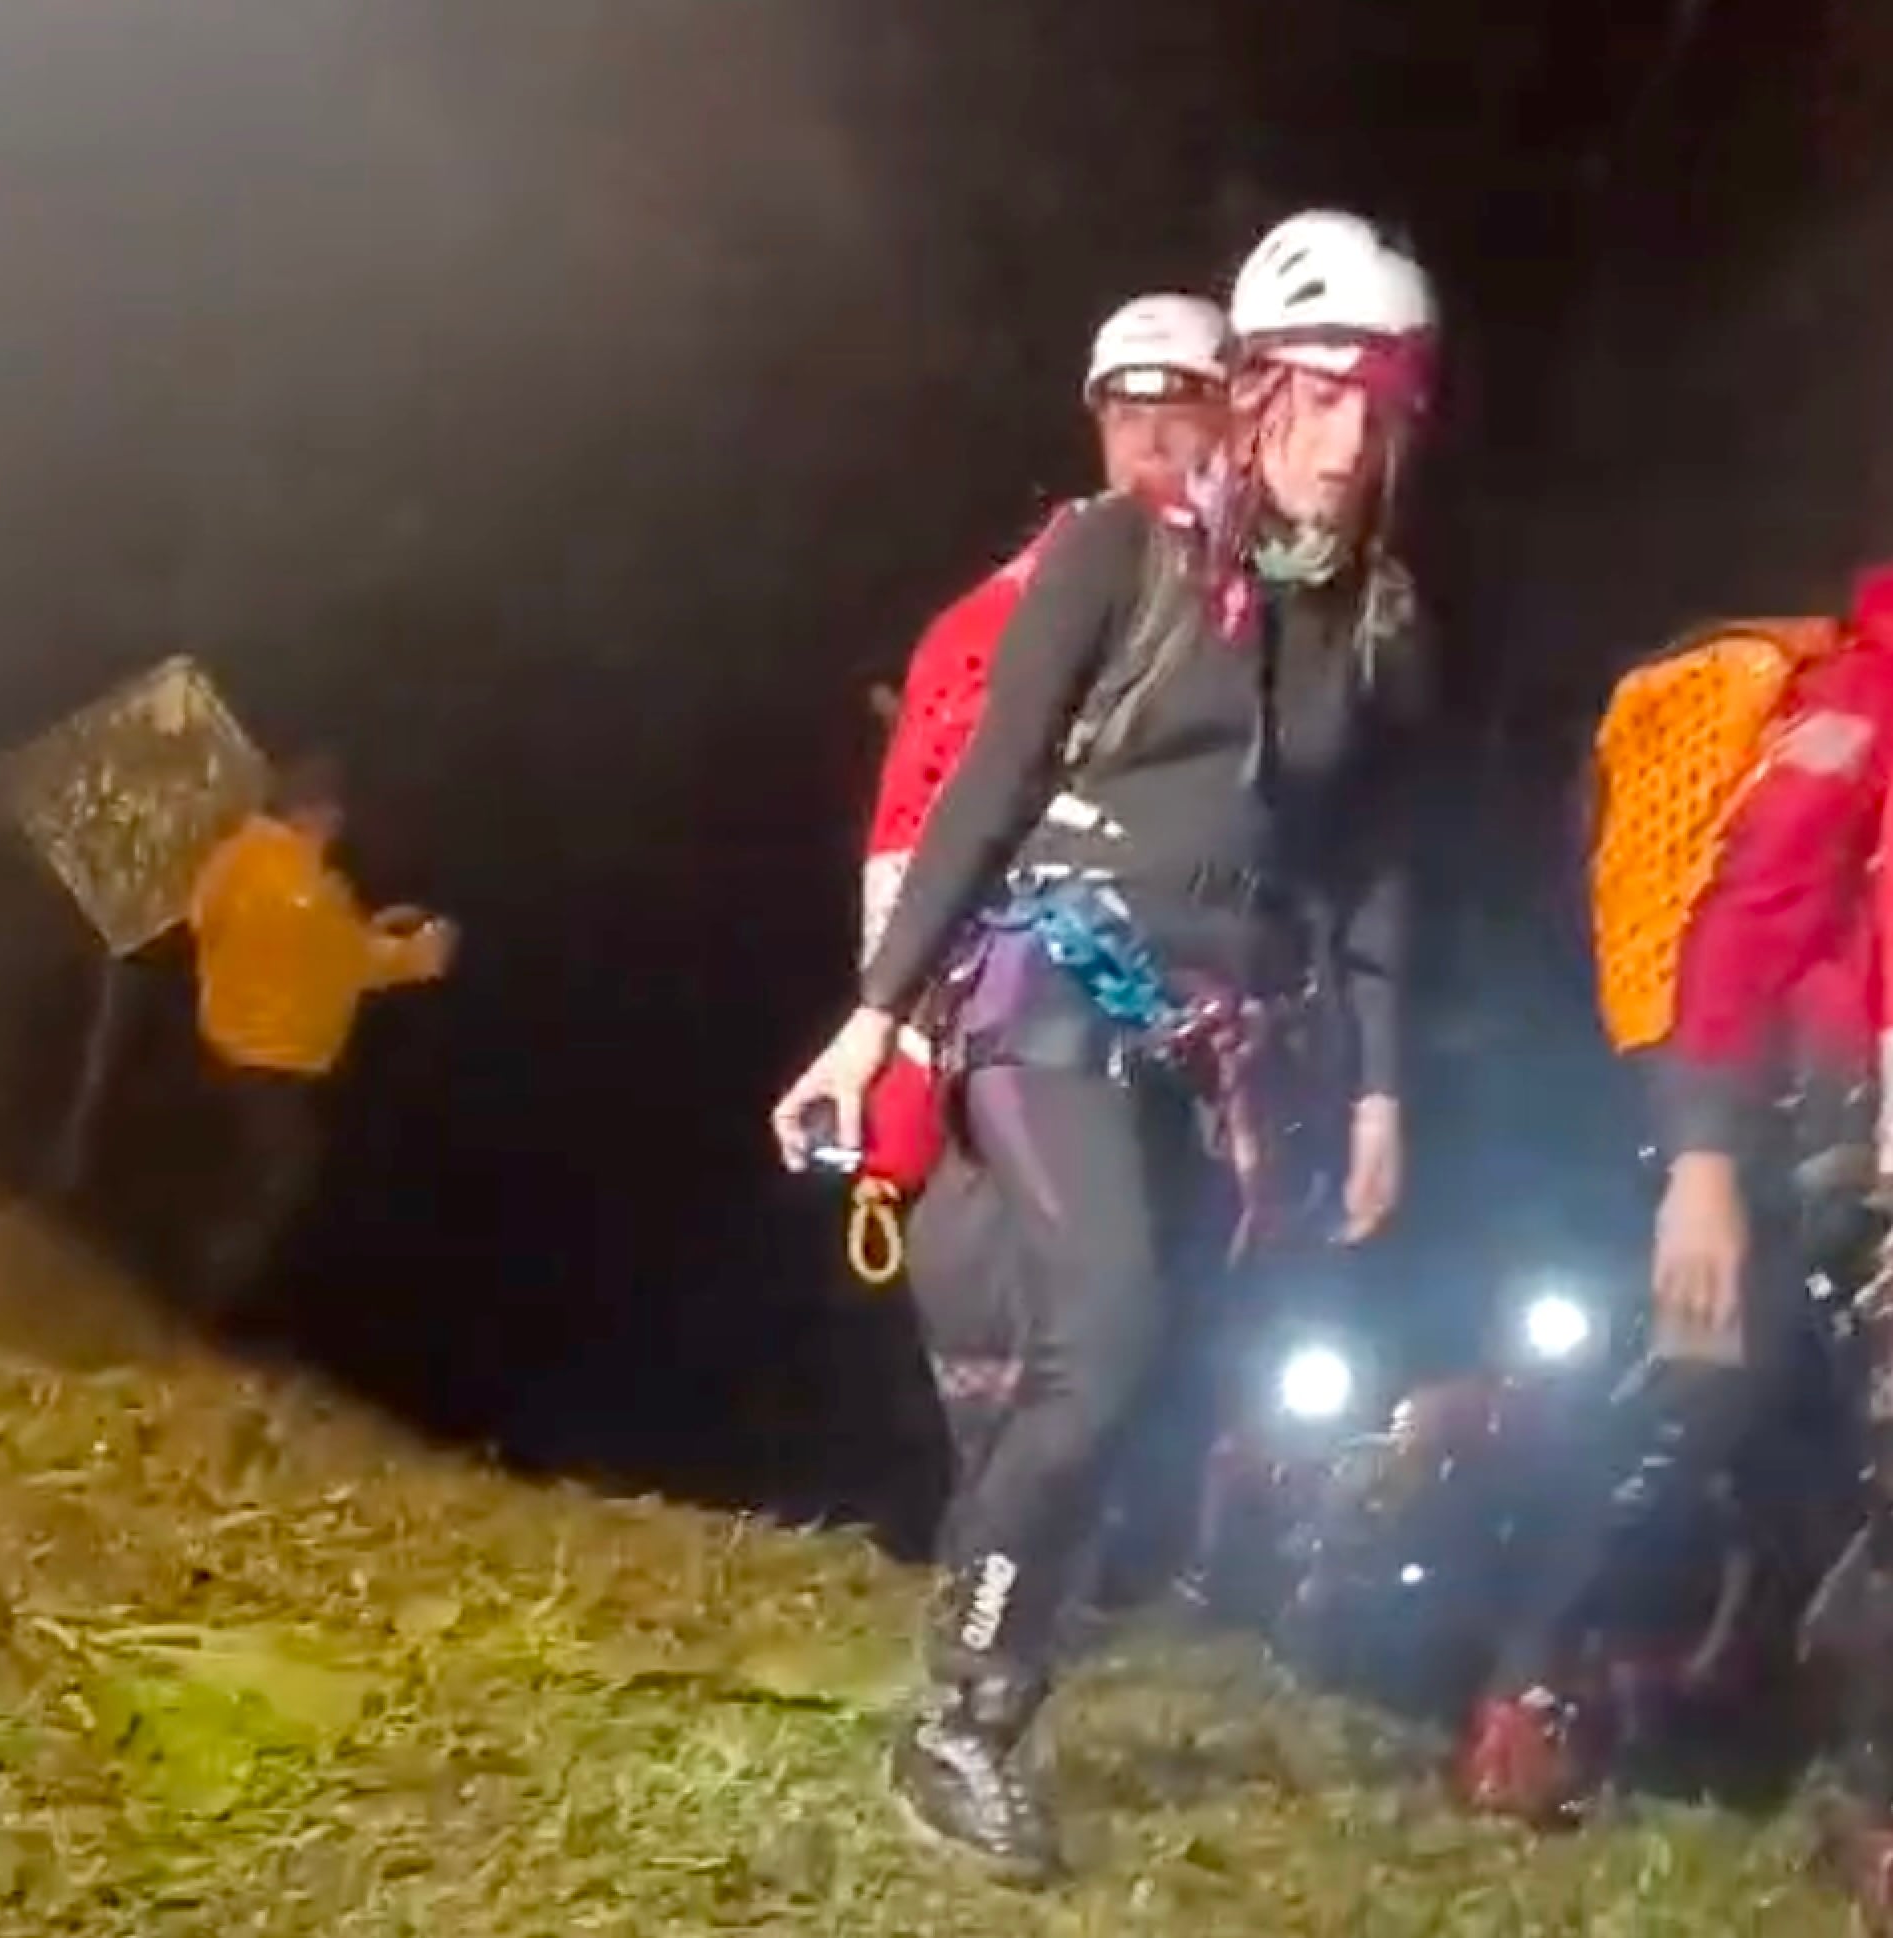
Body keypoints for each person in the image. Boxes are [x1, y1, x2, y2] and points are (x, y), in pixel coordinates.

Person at [771, 208, 1438, 1883]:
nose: (1345, 442)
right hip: (1048, 985)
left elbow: (1368, 870)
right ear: (1257, 389)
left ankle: (996, 1615)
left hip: (1217, 1041)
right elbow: (986, 788)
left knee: (1124, 1386)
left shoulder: (1378, 620)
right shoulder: (1118, 553)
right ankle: (963, 1717)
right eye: (1316, 396)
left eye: (1383, 407)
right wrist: (874, 1020)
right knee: (1114, 1340)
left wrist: (1375, 1089)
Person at [1460, 567, 1893, 1844]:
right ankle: (1534, 1689)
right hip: (1806, 1111)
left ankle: (1828, 1744)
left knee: (1859, 1448)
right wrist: (1705, 1162)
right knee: (1705, 1397)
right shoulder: (1888, 685)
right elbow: (1742, 915)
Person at [861, 293, 1232, 959]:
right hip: (1062, 987)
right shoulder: (1001, 613)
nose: (1148, 440)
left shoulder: (1270, 597)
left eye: (1176, 413)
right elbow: (917, 840)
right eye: (1125, 416)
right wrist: (901, 1016)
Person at [183, 755, 455, 1314]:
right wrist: (424, 949)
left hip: (220, 1042)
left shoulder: (236, 855)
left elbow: (209, 920)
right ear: (317, 815)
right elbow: (352, 960)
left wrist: (360, 930)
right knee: (277, 1185)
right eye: (333, 819)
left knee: (240, 1171)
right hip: (271, 1059)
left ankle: (203, 1280)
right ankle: (209, 1300)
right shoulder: (309, 888)